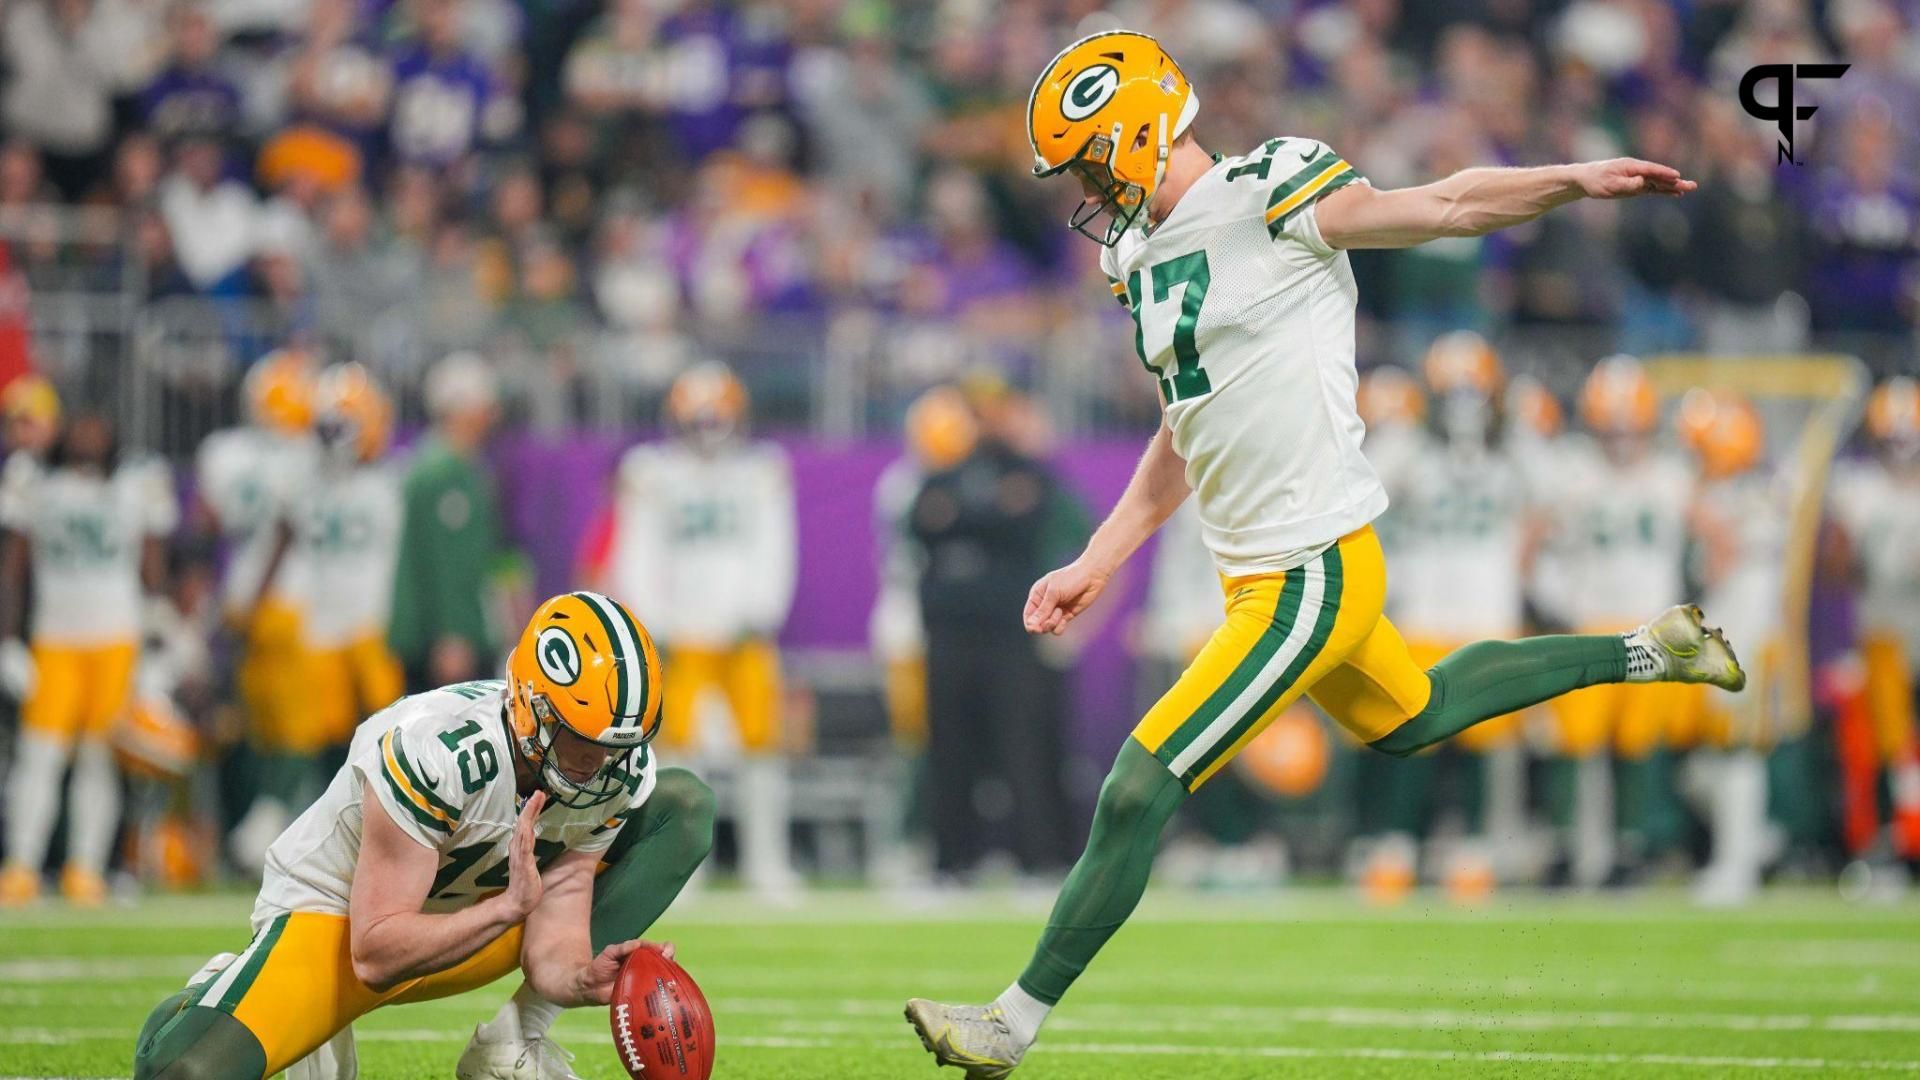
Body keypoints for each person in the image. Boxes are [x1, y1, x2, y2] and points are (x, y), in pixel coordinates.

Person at [906, 31, 1744, 1076]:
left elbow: (1439, 205)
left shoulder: (1272, 189)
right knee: (1417, 715)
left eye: (1086, 161)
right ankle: (1650, 651)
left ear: (1137, 135)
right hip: (1259, 565)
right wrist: (1100, 558)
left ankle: (1009, 1024)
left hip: (1311, 565)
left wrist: (1566, 179)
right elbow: (1185, 428)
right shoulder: (1137, 255)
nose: (1081, 189)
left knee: (1137, 784)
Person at [131, 591, 715, 1080]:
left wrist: (578, 976)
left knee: (682, 806)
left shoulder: (615, 769)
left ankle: (511, 1043)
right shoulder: (436, 751)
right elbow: (376, 953)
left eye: (617, 745)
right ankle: (210, 996)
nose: (601, 763)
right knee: (184, 1073)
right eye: (583, 742)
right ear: (531, 707)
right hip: (341, 928)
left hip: (475, 917)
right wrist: (507, 908)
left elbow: (559, 914)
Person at [605, 362, 799, 896]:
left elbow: (775, 544)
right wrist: (652, 621)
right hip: (682, 633)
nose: (710, 430)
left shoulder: (761, 469)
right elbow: (638, 550)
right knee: (678, 755)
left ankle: (768, 864)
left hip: (742, 633)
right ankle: (683, 870)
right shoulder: (652, 472)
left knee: (762, 748)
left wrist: (761, 611)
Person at [0, 409, 176, 905]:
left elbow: (151, 566)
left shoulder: (135, 484)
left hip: (115, 637)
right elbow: (13, 569)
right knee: (39, 756)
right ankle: (21, 866)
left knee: (100, 759)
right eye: (80, 427)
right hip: (54, 636)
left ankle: (85, 868)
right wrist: (8, 639)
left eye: (97, 428)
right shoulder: (34, 481)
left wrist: (158, 637)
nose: (88, 436)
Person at [1543, 357, 1701, 888]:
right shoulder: (1573, 473)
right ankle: (1573, 848)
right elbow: (1535, 537)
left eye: (1628, 429)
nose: (1619, 441)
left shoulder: (1674, 477)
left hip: (1651, 625)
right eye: (1609, 429)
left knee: (1637, 745)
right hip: (1589, 621)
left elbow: (1715, 539)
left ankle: (1632, 851)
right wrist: (1552, 597)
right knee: (1575, 743)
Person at [196, 350, 322, 871]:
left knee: (255, 729)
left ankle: (257, 827)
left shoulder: (224, 454)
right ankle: (262, 829)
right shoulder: (303, 456)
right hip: (286, 605)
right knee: (288, 732)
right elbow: (288, 530)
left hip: (239, 599)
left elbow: (207, 522)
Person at [302, 365, 405, 759]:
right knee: (329, 739)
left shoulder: (390, 483)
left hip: (370, 618)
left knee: (388, 725)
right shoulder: (310, 482)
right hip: (328, 618)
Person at [389, 352, 506, 692]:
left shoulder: (449, 466)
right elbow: (445, 563)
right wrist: (453, 632)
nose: (491, 416)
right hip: (446, 640)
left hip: (444, 633)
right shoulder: (445, 474)